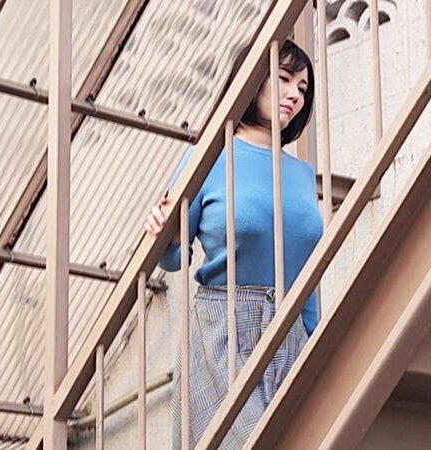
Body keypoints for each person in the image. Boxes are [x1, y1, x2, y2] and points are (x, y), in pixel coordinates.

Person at [143, 40, 321, 449]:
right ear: (251, 80)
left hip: (290, 330)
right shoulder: (206, 158)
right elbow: (174, 257)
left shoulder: (301, 174)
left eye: (302, 87)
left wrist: (314, 339)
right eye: (283, 79)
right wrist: (160, 231)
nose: (295, 94)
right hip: (223, 327)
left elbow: (306, 271)